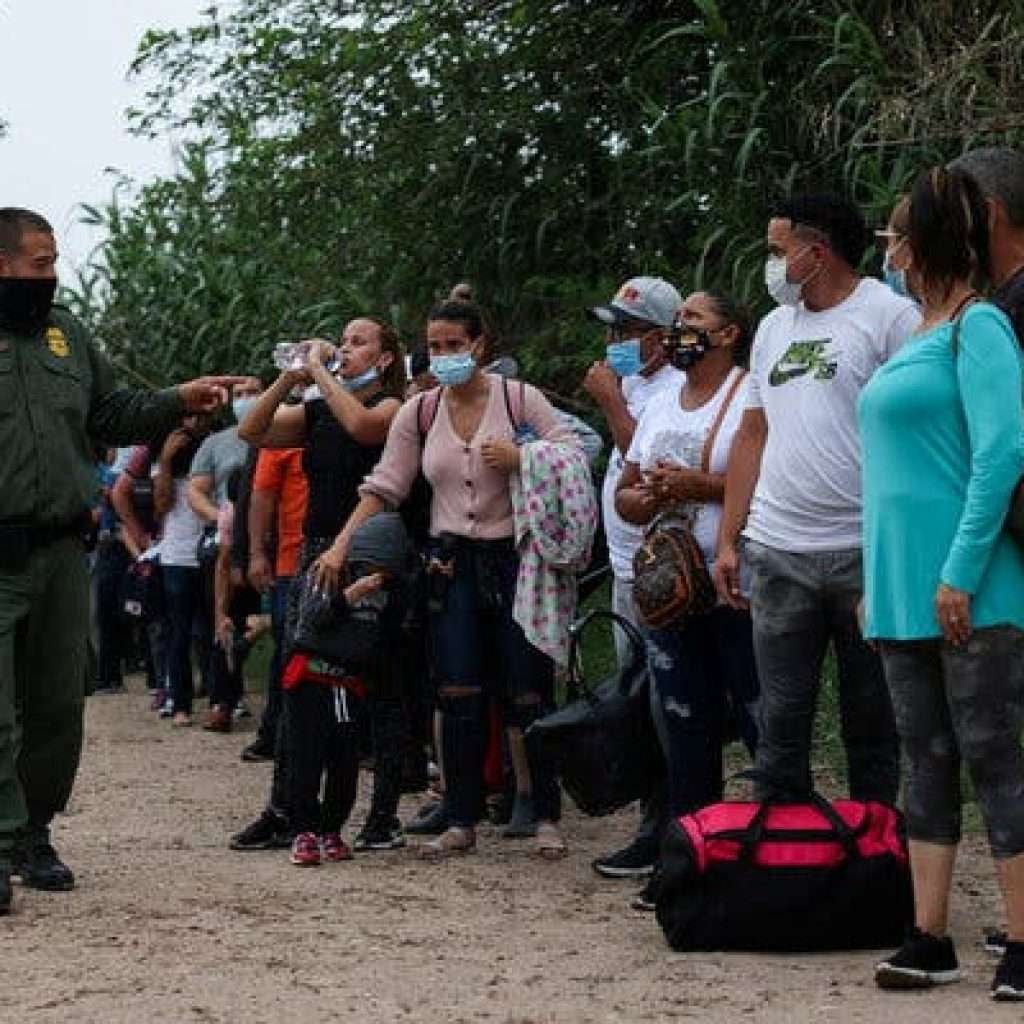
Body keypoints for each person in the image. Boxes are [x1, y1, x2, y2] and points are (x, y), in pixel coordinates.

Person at [0, 206, 237, 913]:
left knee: (54, 708)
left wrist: (175, 400)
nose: (52, 275)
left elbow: (110, 414)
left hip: (62, 553)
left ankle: (33, 834)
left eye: (54, 263)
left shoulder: (66, 334)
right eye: (40, 263)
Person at [319, 299, 582, 859]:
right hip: (450, 561)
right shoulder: (421, 411)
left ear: (479, 345)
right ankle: (461, 816)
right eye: (434, 347)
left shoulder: (518, 398)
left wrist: (523, 456)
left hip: (516, 558)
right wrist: (343, 543)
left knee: (528, 687)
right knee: (457, 687)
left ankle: (542, 813)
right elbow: (386, 481)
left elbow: (573, 451)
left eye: (453, 346)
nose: (443, 357)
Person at [861, 168, 1024, 1001]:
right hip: (900, 596)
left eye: (893, 240)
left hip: (974, 592)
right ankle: (929, 935)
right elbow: (886, 475)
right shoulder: (916, 335)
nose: (886, 255)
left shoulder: (979, 328)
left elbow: (1000, 456)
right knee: (923, 761)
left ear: (921, 244)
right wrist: (873, 580)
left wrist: (960, 570)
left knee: (993, 754)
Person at [713, 193, 919, 806]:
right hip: (779, 552)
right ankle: (790, 869)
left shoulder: (890, 317)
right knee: (780, 724)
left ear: (817, 251)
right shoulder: (775, 327)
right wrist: (730, 537)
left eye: (779, 251)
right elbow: (754, 432)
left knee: (872, 725)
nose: (773, 265)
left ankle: (874, 866)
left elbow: (914, 431)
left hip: (865, 553)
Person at [231, 317, 406, 854]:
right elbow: (252, 430)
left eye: (358, 343)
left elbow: (363, 429)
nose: (346, 350)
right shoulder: (318, 409)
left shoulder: (394, 408)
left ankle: (380, 816)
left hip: (370, 550)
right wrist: (290, 377)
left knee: (376, 684)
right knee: (299, 679)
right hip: (313, 551)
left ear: (385, 359)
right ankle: (286, 808)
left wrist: (320, 372)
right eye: (343, 342)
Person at [616, 289, 760, 910]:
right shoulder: (657, 403)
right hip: (670, 592)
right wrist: (644, 500)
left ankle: (779, 854)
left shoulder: (750, 394)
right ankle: (690, 861)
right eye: (676, 323)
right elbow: (625, 491)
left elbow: (770, 476)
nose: (679, 331)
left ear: (728, 334)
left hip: (737, 585)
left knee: (761, 723)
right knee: (684, 726)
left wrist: (699, 484)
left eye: (693, 321)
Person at [582, 276, 684, 881]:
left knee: (664, 702)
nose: (616, 340)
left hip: (662, 569)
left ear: (662, 337)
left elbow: (639, 454)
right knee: (637, 701)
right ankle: (653, 821)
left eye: (629, 330)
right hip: (626, 565)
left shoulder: (671, 388)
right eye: (613, 329)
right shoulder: (633, 382)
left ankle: (668, 826)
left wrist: (609, 401)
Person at [285, 512, 412, 866]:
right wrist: (349, 596)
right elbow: (310, 620)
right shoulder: (328, 573)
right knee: (307, 759)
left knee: (345, 764)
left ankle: (331, 828)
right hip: (311, 680)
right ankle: (304, 830)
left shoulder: (388, 593)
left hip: (350, 685)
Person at [242, 444, 309, 762]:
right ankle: (275, 734)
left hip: (342, 555)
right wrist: (256, 553)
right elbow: (261, 496)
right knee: (286, 651)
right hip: (290, 561)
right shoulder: (283, 436)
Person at [152, 417, 216, 727]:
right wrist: (165, 460)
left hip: (212, 552)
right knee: (179, 632)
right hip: (177, 556)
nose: (191, 424)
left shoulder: (216, 449)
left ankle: (222, 698)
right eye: (185, 418)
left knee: (213, 629)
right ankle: (180, 701)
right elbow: (160, 506)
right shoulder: (167, 460)